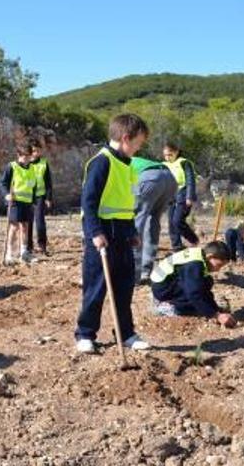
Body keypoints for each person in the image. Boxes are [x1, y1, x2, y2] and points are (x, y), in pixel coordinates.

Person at [75, 113, 151, 354]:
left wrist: (132, 231)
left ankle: (126, 333)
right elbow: (88, 203)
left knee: (124, 287)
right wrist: (95, 232)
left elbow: (125, 203)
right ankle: (85, 334)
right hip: (102, 232)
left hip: (123, 234)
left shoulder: (127, 165)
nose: (138, 149)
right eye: (138, 143)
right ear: (126, 138)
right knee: (96, 287)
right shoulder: (101, 162)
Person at [150, 241, 236, 327]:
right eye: (219, 265)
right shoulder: (194, 265)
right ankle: (168, 307)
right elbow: (194, 294)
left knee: (207, 281)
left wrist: (215, 309)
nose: (218, 270)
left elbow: (203, 289)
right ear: (210, 256)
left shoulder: (200, 256)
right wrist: (216, 315)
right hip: (162, 288)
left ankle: (175, 301)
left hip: (168, 282)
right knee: (194, 301)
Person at [131, 154, 178, 284]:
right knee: (153, 221)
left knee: (136, 224)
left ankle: (134, 274)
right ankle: (146, 271)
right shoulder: (130, 158)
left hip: (150, 178)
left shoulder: (112, 162)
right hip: (170, 179)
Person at [0, 143, 37, 265]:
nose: (26, 159)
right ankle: (9, 253)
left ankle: (24, 252)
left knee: (25, 227)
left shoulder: (32, 168)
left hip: (27, 203)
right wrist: (6, 195)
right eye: (23, 156)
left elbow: (33, 186)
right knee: (14, 227)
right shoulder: (12, 167)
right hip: (14, 202)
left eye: (28, 156)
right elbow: (3, 183)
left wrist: (34, 201)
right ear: (18, 155)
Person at [163, 141, 199, 251]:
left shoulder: (184, 163)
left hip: (183, 195)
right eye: (165, 155)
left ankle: (194, 240)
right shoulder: (164, 165)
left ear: (176, 152)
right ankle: (177, 246)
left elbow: (190, 180)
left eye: (170, 154)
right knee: (171, 223)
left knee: (177, 221)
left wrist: (190, 197)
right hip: (170, 196)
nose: (167, 157)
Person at [27, 140, 53, 256]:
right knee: (28, 222)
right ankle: (28, 246)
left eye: (38, 150)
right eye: (33, 151)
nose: (36, 153)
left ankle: (42, 246)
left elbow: (48, 182)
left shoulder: (44, 163)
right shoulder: (25, 163)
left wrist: (48, 198)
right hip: (27, 197)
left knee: (40, 221)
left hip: (40, 197)